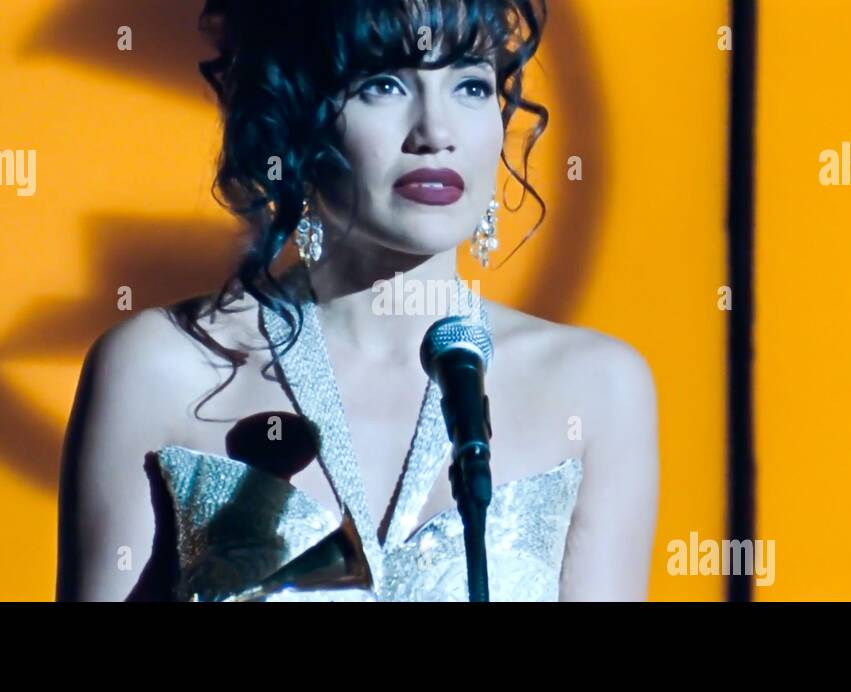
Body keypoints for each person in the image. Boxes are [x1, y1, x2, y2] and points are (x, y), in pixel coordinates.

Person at [56, 0, 658, 602]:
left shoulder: (595, 386)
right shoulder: (162, 368)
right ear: (297, 114)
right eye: (383, 84)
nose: (435, 133)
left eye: (471, 85)